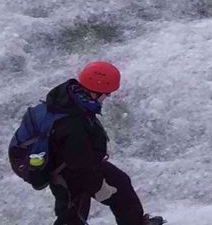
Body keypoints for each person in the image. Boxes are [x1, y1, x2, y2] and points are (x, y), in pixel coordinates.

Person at [43, 62, 165, 225]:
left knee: (121, 184)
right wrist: (98, 187)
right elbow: (78, 165)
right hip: (65, 170)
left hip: (82, 162)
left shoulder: (72, 98)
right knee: (73, 213)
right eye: (106, 93)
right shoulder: (72, 122)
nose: (108, 97)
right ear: (94, 92)